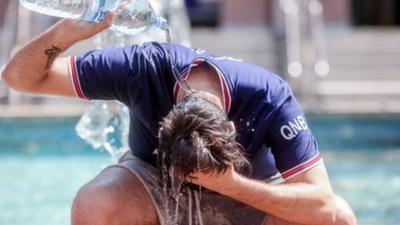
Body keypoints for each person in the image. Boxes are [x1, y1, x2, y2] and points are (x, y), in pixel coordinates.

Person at [2, 14, 357, 225]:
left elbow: (323, 203)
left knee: (339, 219)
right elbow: (18, 77)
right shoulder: (140, 68)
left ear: (231, 130)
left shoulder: (269, 96)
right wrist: (64, 35)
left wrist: (232, 184)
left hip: (247, 190)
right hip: (152, 185)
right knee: (96, 202)